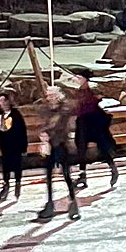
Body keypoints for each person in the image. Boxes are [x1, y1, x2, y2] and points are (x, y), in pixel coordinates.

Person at [36, 83, 82, 222]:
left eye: (52, 95)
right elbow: (44, 124)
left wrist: (47, 132)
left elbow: (59, 125)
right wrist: (43, 135)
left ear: (58, 96)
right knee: (49, 175)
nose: (49, 98)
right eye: (48, 96)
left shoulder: (65, 109)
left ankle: (73, 202)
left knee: (66, 175)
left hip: (61, 145)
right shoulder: (47, 110)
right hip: (50, 145)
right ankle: (49, 203)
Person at [74, 76, 121, 189]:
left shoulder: (92, 90)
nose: (77, 80)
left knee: (103, 148)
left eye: (79, 78)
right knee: (81, 149)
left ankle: (113, 168)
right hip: (83, 123)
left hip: (94, 122)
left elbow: (96, 103)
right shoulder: (78, 92)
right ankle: (82, 175)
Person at [0, 96, 29, 201]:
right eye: (0, 100)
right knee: (6, 164)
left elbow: (22, 130)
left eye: (5, 100)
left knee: (17, 164)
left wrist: (24, 146)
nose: (3, 103)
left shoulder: (16, 114)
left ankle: (18, 183)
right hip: (4, 145)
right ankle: (6, 183)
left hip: (16, 144)